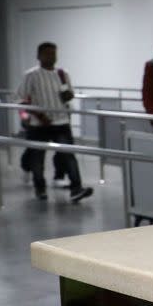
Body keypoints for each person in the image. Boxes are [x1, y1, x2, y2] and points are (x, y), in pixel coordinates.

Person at [17, 42, 93, 202]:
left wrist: (68, 95)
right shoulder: (31, 75)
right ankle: (40, 188)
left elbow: (68, 94)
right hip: (39, 124)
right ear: (39, 56)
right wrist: (39, 116)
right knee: (38, 158)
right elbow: (21, 99)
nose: (51, 57)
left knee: (69, 155)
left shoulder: (62, 73)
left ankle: (76, 189)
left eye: (54, 53)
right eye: (47, 53)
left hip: (61, 123)